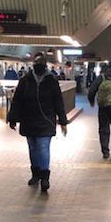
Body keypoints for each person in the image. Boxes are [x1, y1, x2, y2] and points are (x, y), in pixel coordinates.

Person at [7, 53, 68, 192]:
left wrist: (63, 121)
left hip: (46, 121)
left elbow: (59, 102)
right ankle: (35, 174)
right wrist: (12, 118)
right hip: (28, 120)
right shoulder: (25, 80)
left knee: (43, 147)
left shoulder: (52, 80)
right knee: (33, 148)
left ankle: (45, 177)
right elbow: (17, 100)